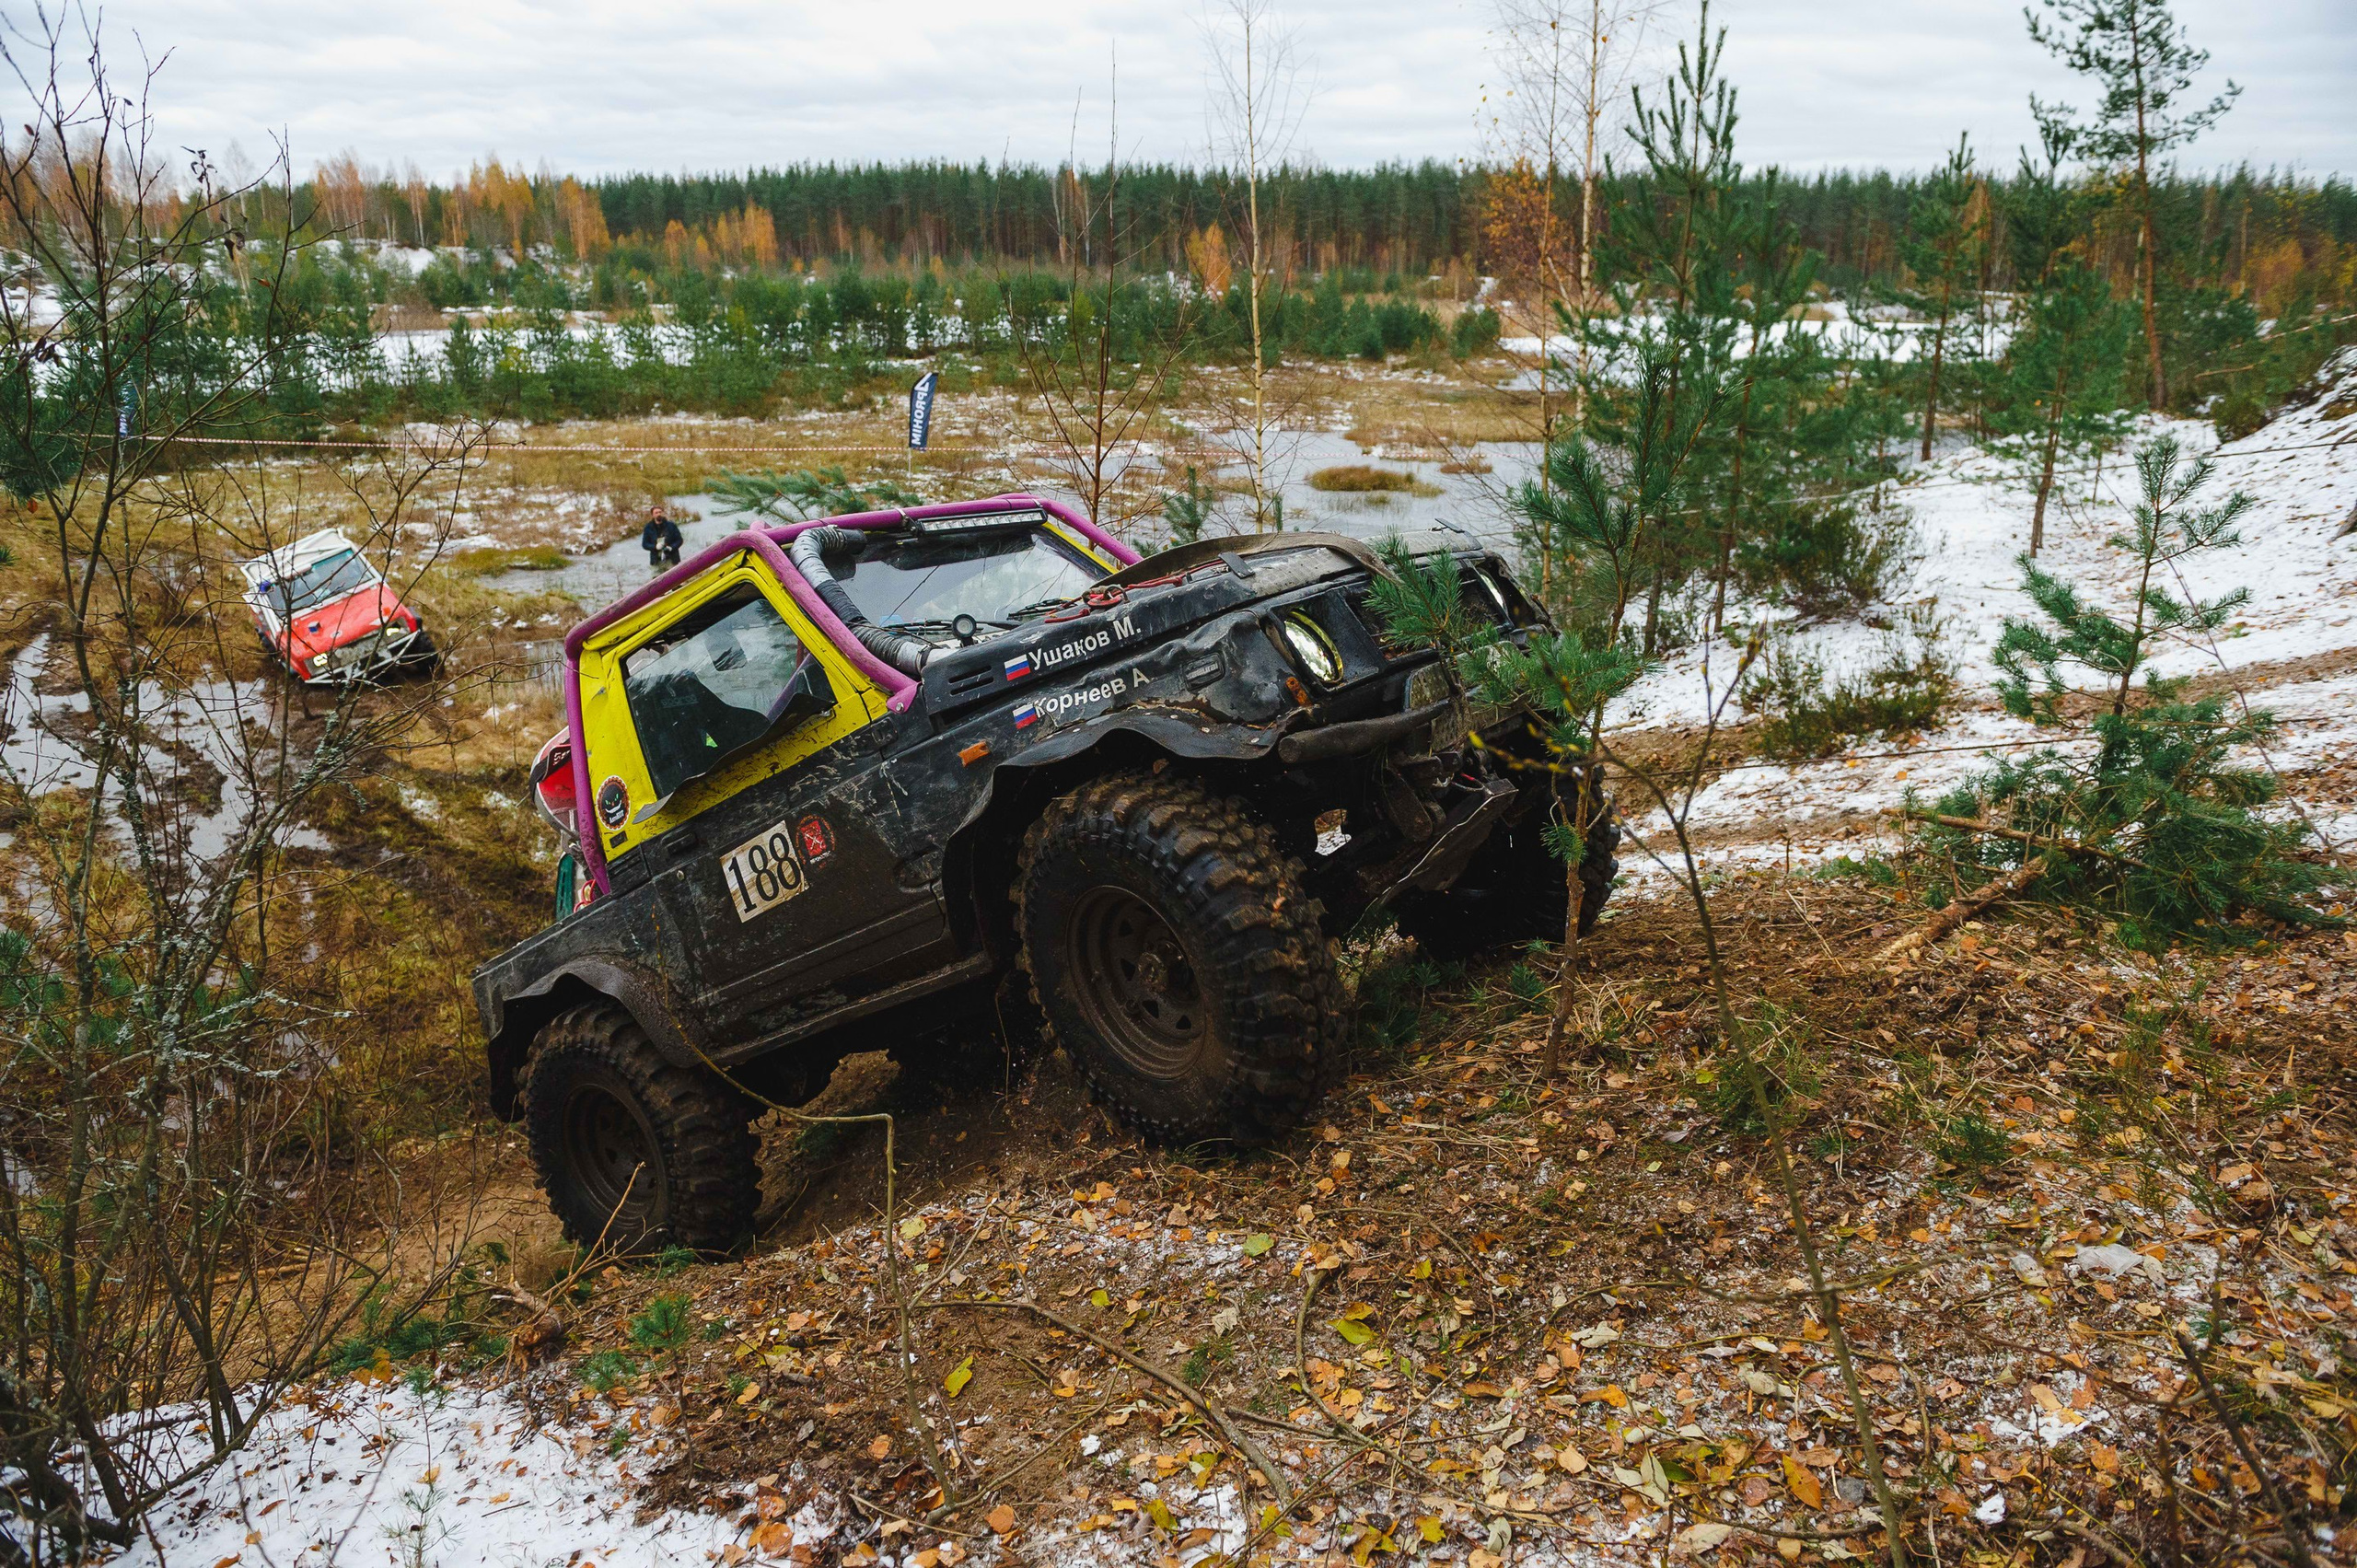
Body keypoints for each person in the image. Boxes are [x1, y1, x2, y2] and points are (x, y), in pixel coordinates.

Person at [640, 505, 683, 573]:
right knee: (656, 578)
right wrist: (655, 547)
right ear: (652, 515)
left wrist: (671, 547)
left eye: (660, 512)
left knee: (674, 576)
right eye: (656, 513)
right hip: (656, 561)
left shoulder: (671, 525)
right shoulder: (648, 528)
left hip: (671, 559)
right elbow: (645, 544)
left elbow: (679, 540)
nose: (659, 514)